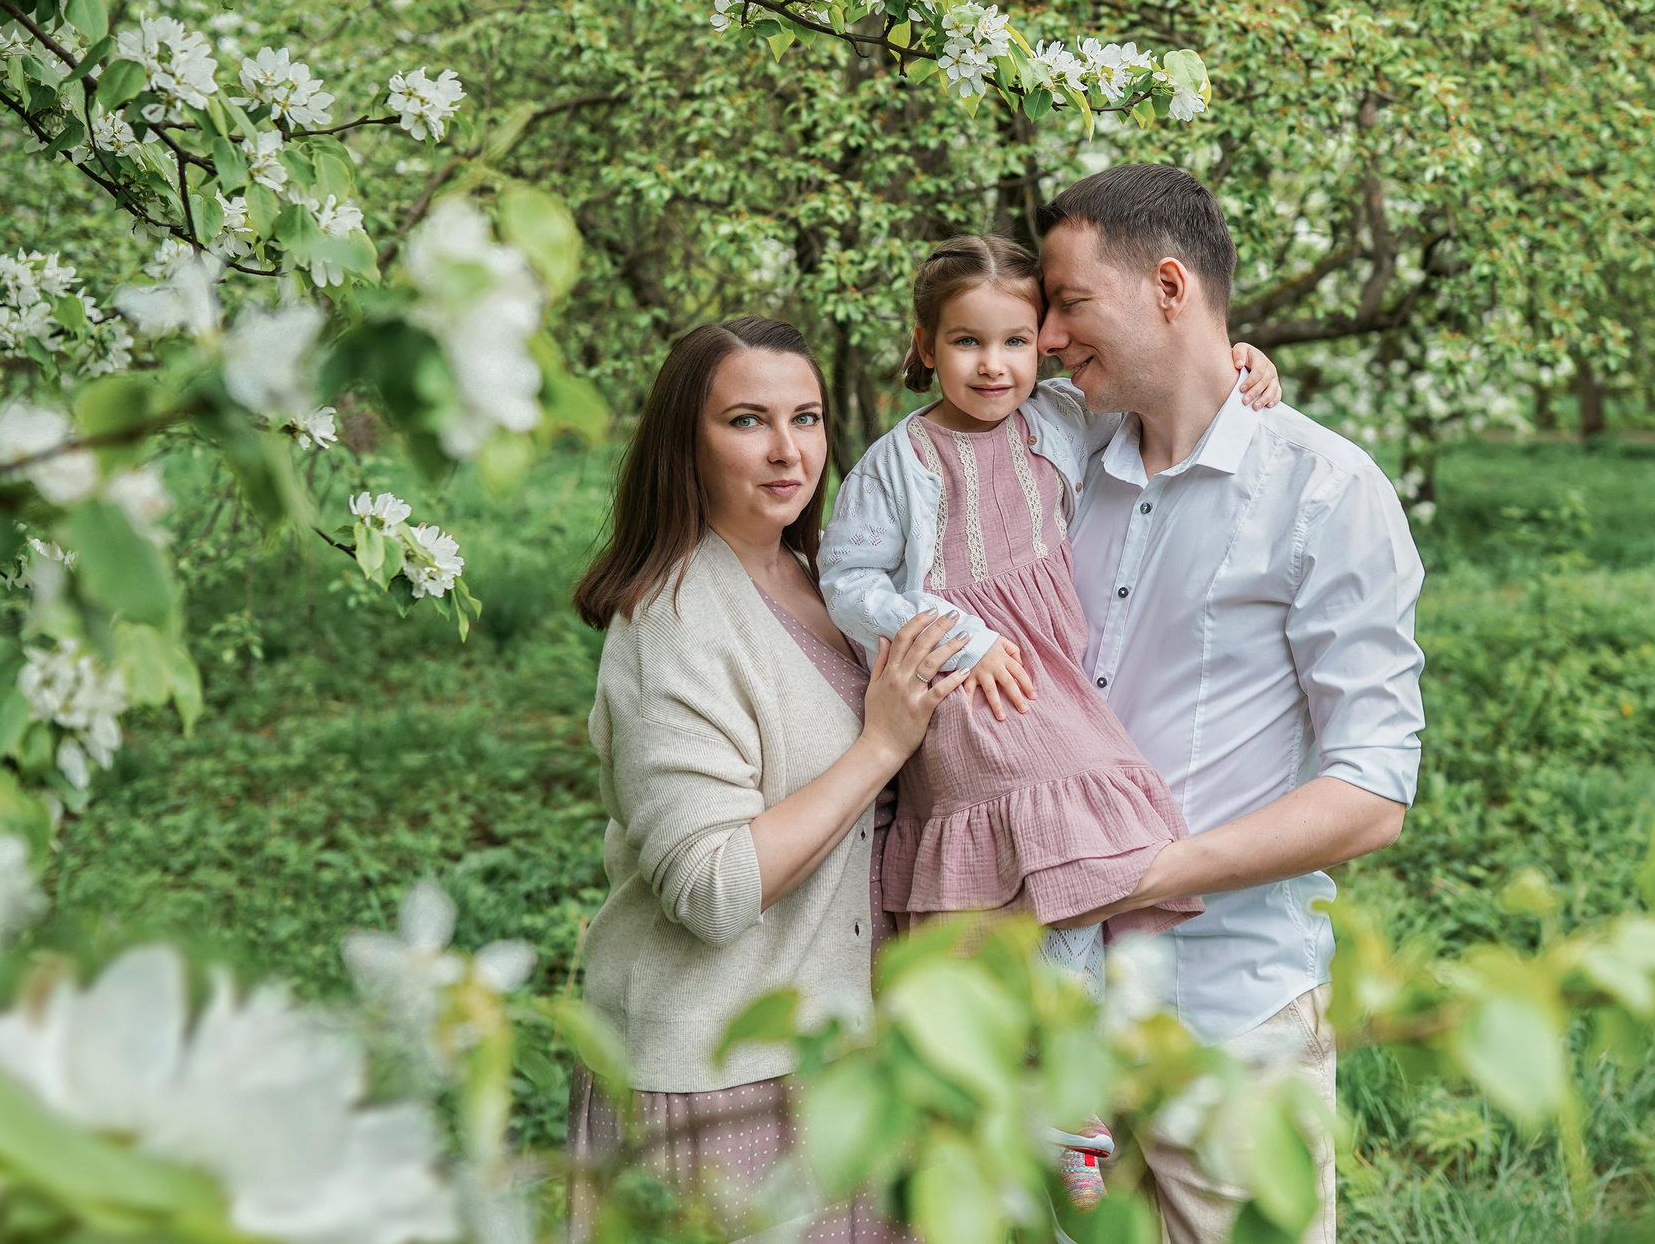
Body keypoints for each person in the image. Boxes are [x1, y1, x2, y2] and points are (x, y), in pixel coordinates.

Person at [818, 234, 1283, 1209]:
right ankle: (1040, 1099)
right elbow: (849, 578)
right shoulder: (900, 463)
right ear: (924, 346)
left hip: (1056, 683)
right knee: (1058, 861)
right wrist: (955, 633)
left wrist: (1240, 362)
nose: (993, 366)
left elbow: (1165, 396)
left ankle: (1075, 1087)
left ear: (1042, 346)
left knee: (1075, 876)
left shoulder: (1059, 423)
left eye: (1016, 342)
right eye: (966, 343)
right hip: (976, 699)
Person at [1037, 164, 1429, 1244]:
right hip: (1049, 1018)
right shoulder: (1047, 468)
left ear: (1168, 285)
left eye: (1070, 304)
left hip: (1231, 1016)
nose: (1049, 337)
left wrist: (1133, 880)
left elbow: (1371, 793)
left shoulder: (1324, 491)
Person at [568, 316, 981, 1240]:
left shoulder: (823, 574)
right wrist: (879, 745)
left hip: (847, 1060)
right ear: (688, 441)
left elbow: (1022, 423)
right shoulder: (673, 618)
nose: (788, 450)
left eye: (808, 417)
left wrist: (1230, 371)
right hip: (724, 1081)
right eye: (748, 421)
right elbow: (712, 889)